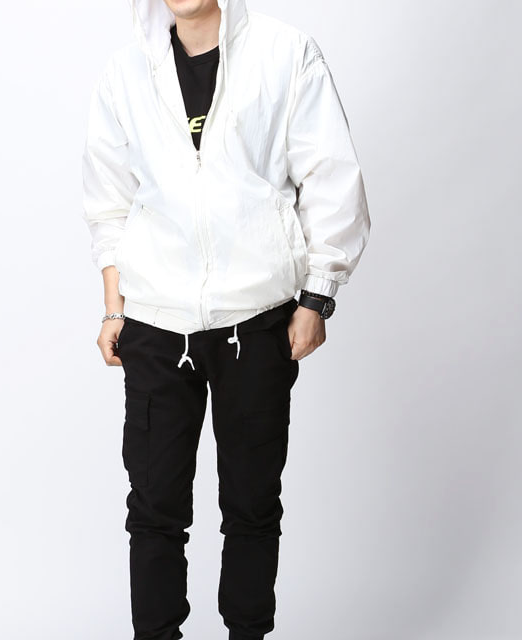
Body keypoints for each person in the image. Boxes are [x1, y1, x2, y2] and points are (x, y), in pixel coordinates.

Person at [81, 0, 371, 638]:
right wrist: (113, 308)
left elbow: (330, 173)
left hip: (256, 321)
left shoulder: (286, 53)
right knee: (154, 508)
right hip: (155, 324)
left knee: (252, 503)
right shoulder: (126, 72)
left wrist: (317, 296)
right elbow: (110, 202)